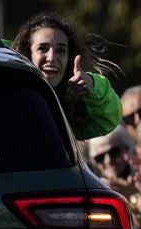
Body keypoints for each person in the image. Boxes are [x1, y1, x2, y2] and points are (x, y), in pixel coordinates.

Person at [11, 11, 121, 140]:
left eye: (60, 50)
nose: (51, 58)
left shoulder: (71, 109)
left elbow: (108, 120)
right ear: (27, 54)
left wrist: (93, 86)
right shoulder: (3, 93)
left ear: (70, 58)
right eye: (43, 48)